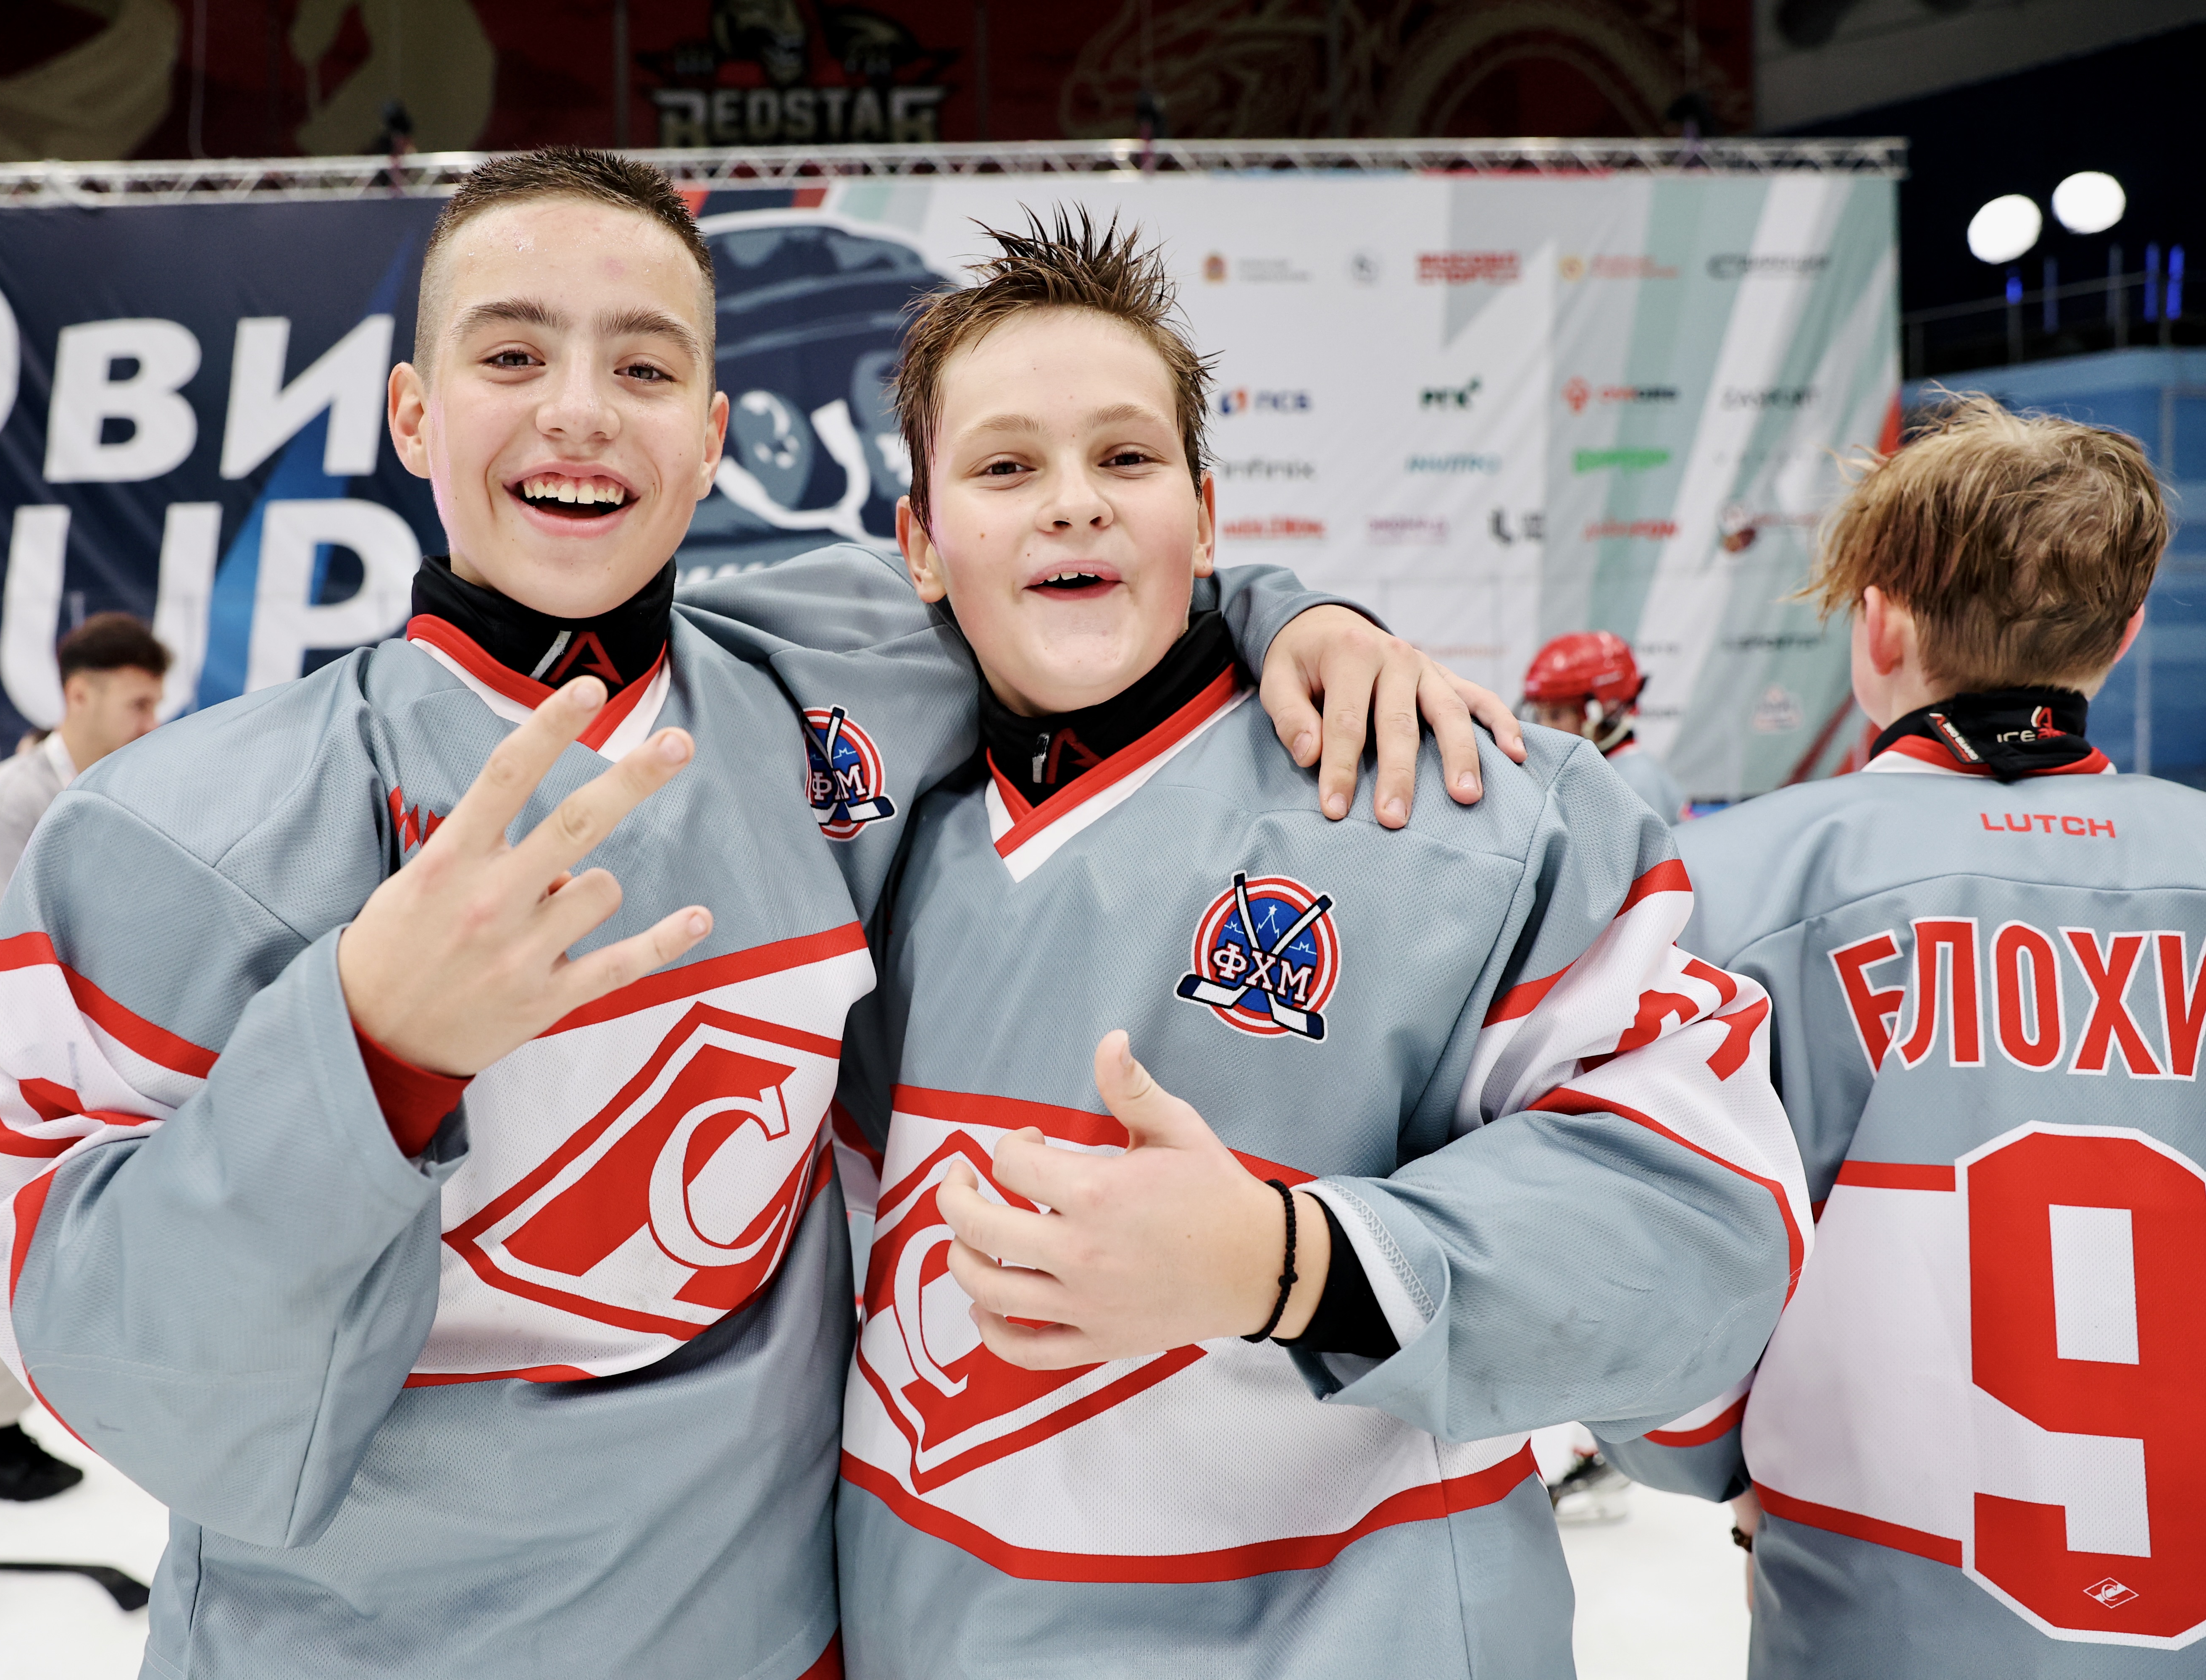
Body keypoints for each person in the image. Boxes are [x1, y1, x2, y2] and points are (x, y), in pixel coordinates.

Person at [0, 149, 1515, 1679]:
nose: (579, 408)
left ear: (707, 439)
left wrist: (1296, 614)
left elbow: (1079, 572)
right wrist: (370, 1051)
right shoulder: (174, 839)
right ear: (414, 413)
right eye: (512, 355)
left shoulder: (832, 685)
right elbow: (113, 1372)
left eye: (642, 367)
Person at [832, 209, 1809, 1678]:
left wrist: (1290, 1265)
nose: (1072, 503)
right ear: (920, 542)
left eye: (1125, 458)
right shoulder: (863, 829)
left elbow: (1710, 1244)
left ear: (1205, 517)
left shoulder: (1461, 806)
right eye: (1005, 467)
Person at [1599, 395, 2197, 1675]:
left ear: (1876, 623)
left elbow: (1648, 1274)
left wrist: (1713, 1466)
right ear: (2126, 629)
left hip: (1884, 1608)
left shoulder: (1728, 887)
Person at [0, 609, 166, 1501]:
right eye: (137, 704)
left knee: (47, 1261)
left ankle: (8, 1423)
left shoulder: (101, 791)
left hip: (56, 1079)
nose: (151, 723)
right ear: (80, 694)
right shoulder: (10, 805)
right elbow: (11, 959)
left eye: (155, 705)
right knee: (6, 1261)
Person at [1522, 630, 1686, 824]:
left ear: (1601, 711)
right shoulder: (1603, 770)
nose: (1543, 727)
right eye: (1539, 715)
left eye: (1556, 715)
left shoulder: (1633, 781)